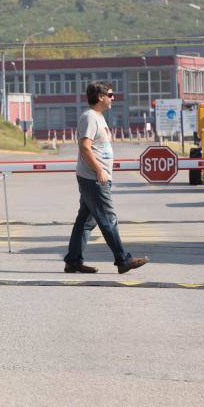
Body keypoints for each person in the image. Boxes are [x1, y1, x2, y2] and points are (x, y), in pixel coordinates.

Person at [64, 81, 148, 274]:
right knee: (108, 219)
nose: (113, 98)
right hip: (94, 178)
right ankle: (123, 260)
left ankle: (73, 261)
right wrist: (99, 170)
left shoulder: (98, 117)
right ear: (100, 97)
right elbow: (85, 147)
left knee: (85, 222)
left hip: (95, 177)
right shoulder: (89, 117)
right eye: (110, 95)